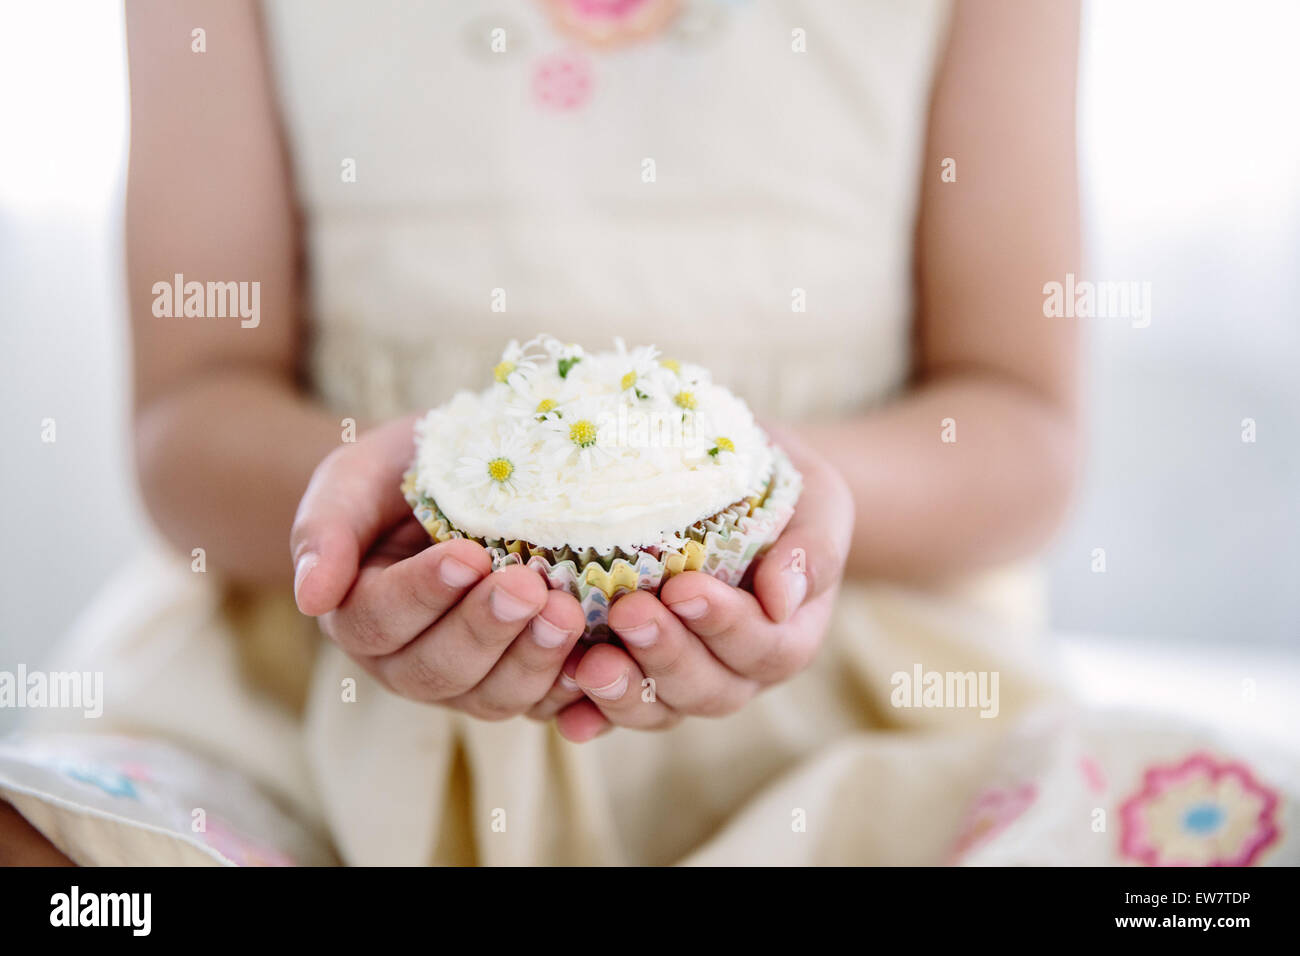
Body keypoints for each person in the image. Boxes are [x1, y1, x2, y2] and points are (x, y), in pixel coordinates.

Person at [3, 0, 1293, 866]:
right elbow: (190, 409)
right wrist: (357, 517)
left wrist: (785, 503)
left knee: (1214, 847)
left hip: (862, 714)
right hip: (304, 715)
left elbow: (1017, 424)